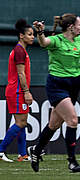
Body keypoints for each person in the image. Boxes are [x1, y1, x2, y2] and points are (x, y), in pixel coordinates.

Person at [27, 13, 80, 173]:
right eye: (79, 25)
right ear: (71, 27)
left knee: (54, 125)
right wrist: (40, 32)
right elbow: (44, 43)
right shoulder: (57, 40)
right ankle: (72, 162)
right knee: (73, 120)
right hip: (57, 84)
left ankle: (35, 150)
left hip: (74, 84)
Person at [0, 19, 34, 163]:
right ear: (21, 36)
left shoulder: (21, 50)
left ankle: (22, 154)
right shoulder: (19, 51)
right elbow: (21, 74)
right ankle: (1, 150)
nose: (32, 37)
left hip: (15, 90)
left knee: (21, 122)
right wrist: (26, 91)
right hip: (17, 91)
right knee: (21, 123)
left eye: (33, 34)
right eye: (30, 34)